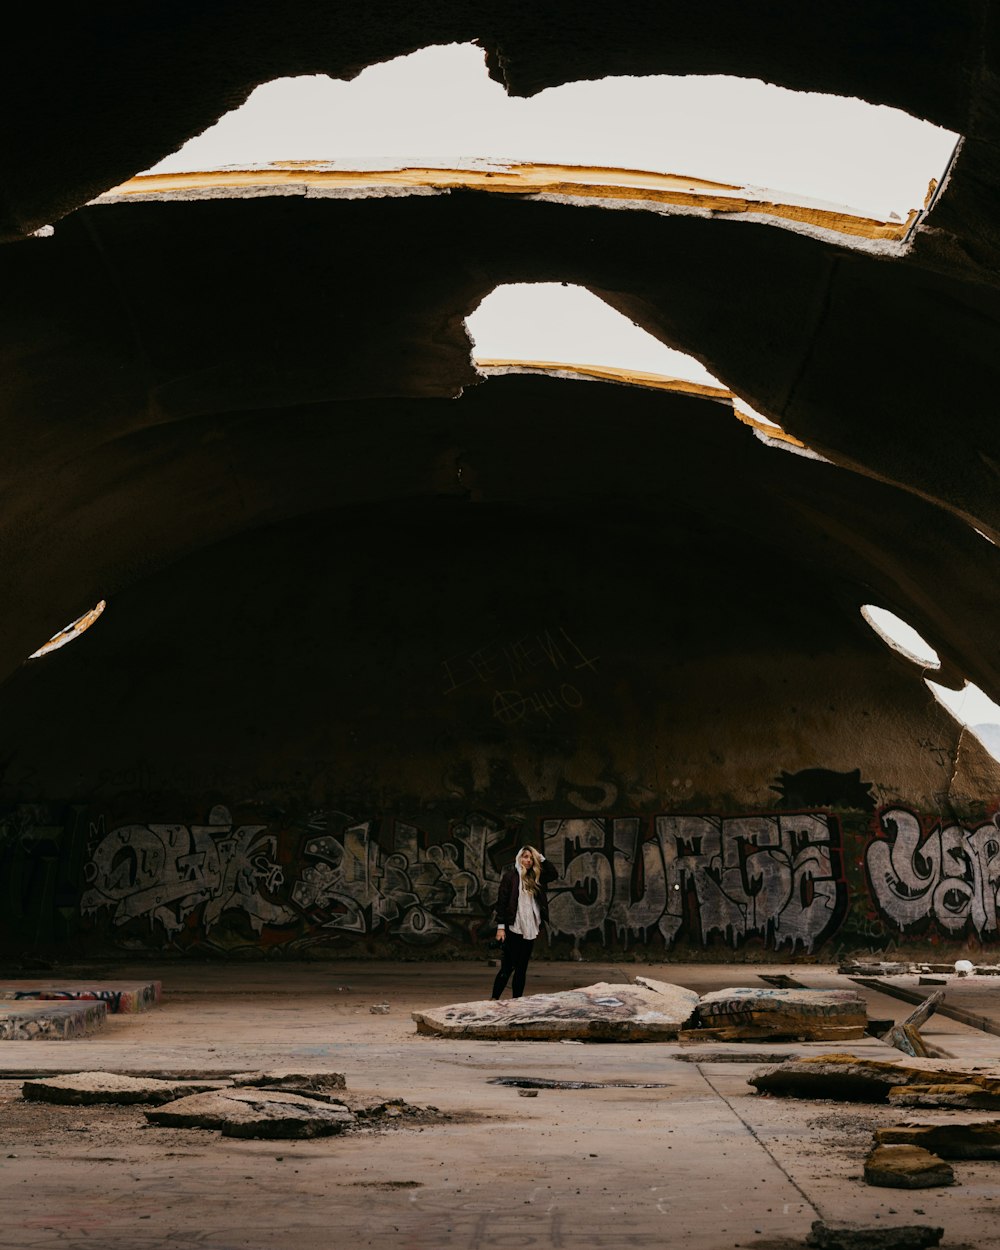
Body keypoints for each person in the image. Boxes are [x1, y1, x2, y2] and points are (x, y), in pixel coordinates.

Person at [490, 845, 558, 1000]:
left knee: (521, 968)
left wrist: (541, 858)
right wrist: (500, 927)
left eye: (530, 858)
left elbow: (554, 874)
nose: (528, 860)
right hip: (513, 927)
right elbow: (502, 902)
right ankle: (494, 999)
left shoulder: (536, 876)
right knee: (507, 967)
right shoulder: (510, 877)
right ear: (519, 858)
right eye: (525, 857)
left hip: (530, 929)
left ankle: (517, 1002)